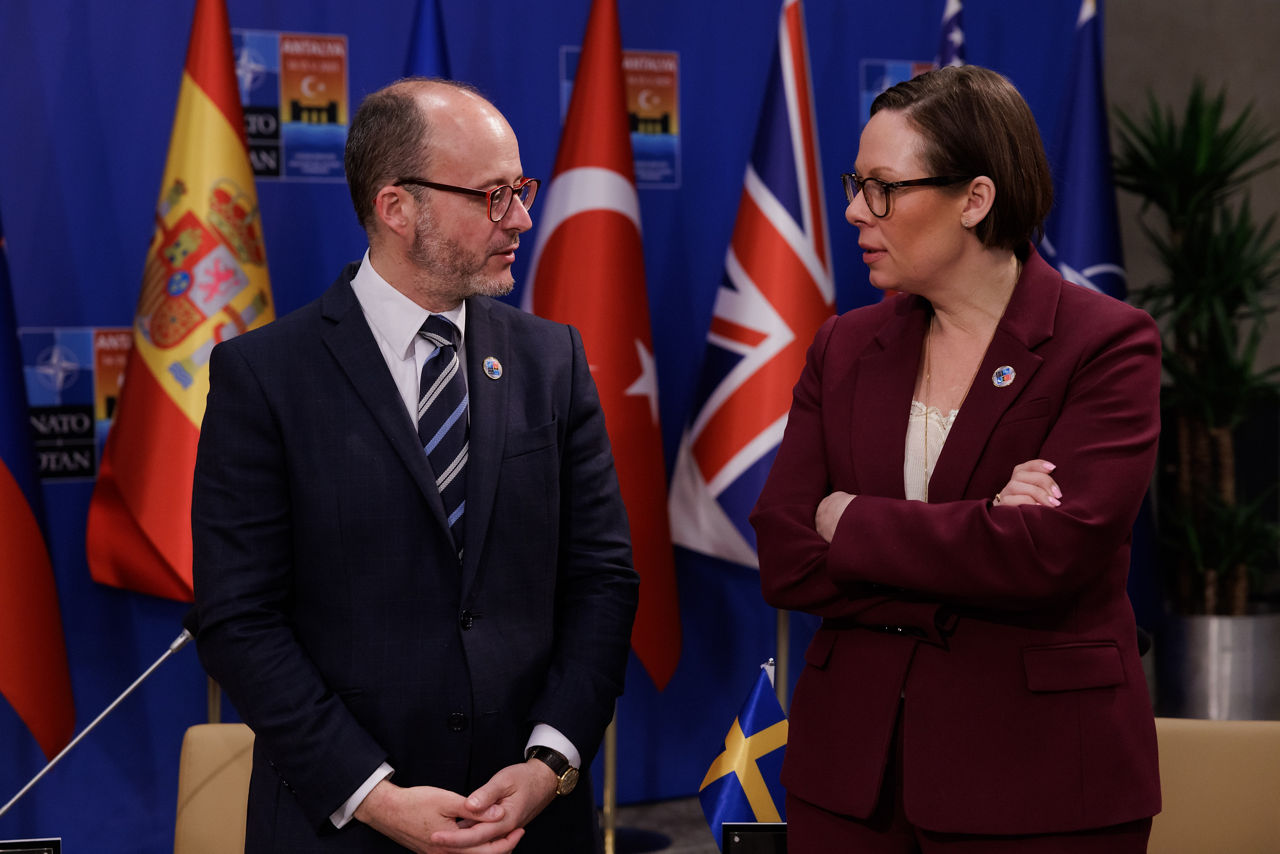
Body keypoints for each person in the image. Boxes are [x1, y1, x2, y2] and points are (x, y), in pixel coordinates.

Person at [190, 77, 639, 854]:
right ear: (397, 207)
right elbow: (238, 618)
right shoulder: (265, 376)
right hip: (343, 828)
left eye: (521, 190)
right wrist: (375, 796)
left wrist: (549, 762)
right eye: (494, 196)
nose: (523, 219)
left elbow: (603, 578)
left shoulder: (550, 359)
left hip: (530, 822)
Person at [749, 65, 1162, 852]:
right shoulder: (845, 345)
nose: (852, 212)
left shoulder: (1105, 343)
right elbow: (786, 554)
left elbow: (1051, 555)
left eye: (882, 188)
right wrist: (978, 538)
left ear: (975, 199)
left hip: (1040, 782)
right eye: (853, 183)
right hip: (851, 786)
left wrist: (856, 523)